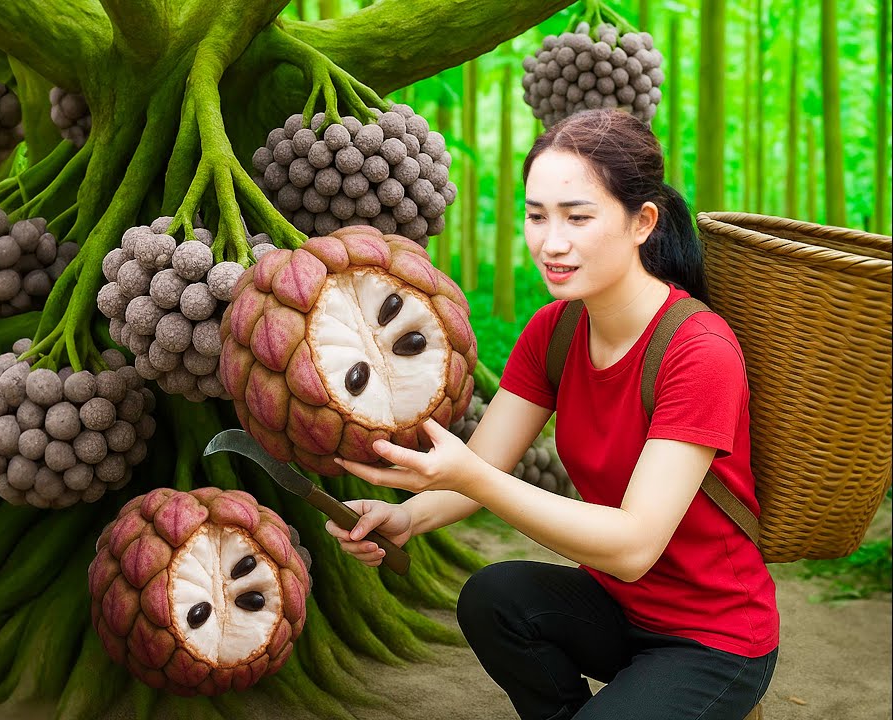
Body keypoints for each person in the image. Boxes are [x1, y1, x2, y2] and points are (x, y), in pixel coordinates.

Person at [328, 109, 778, 720]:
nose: (551, 242)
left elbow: (633, 546)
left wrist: (473, 479)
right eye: (536, 216)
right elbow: (478, 466)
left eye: (577, 217)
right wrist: (403, 517)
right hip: (621, 612)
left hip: (713, 639)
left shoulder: (700, 350)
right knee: (495, 598)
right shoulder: (554, 333)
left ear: (642, 222)